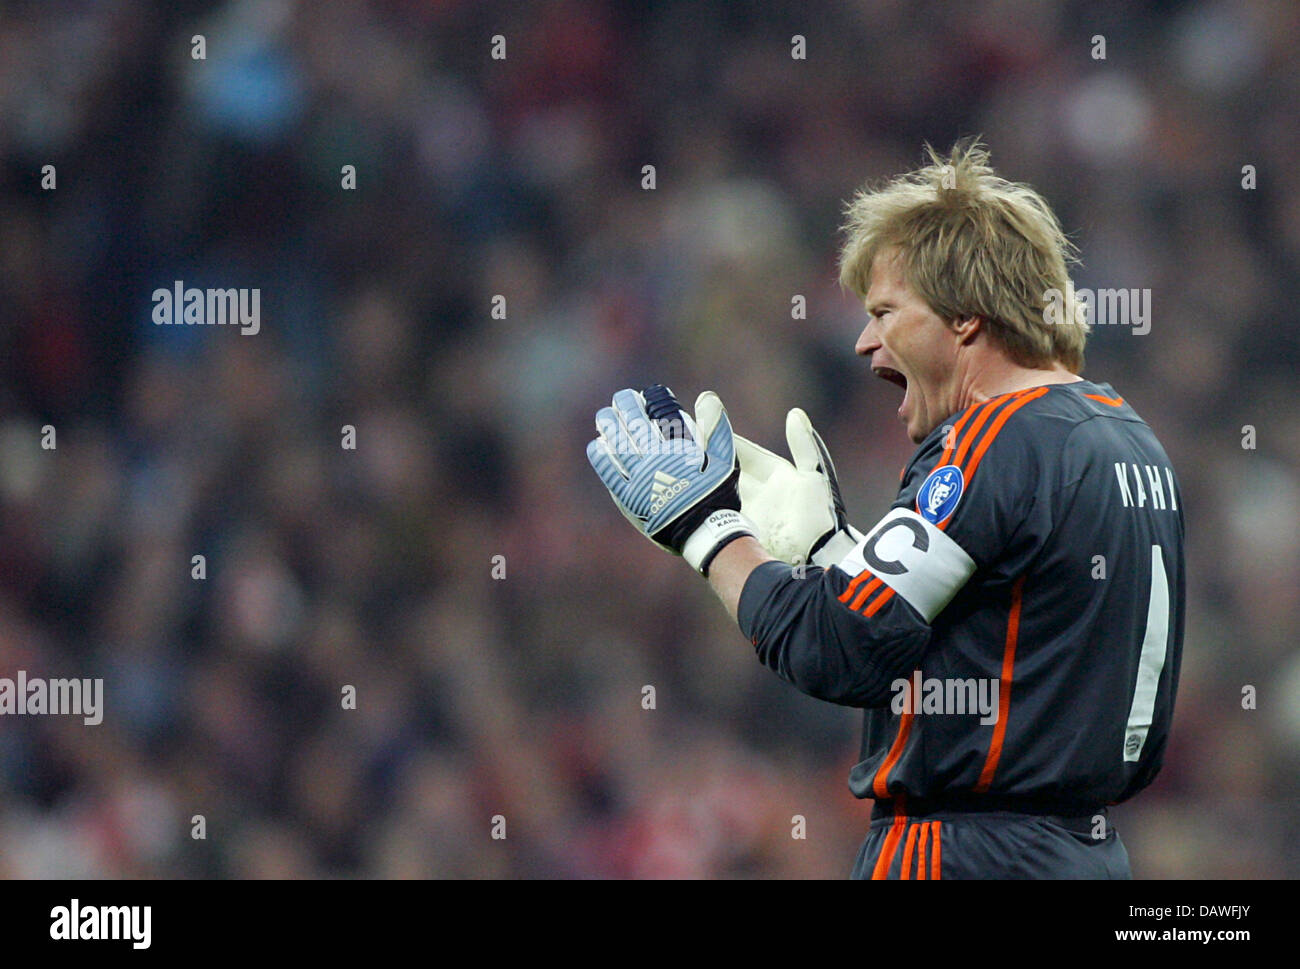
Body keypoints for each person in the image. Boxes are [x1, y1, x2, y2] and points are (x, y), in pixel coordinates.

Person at [585, 140, 1185, 879]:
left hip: (965, 855)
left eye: (886, 311)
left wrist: (708, 528)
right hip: (1085, 854)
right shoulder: (1131, 439)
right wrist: (835, 554)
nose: (867, 341)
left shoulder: (996, 436)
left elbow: (833, 648)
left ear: (964, 316)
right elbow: (994, 642)